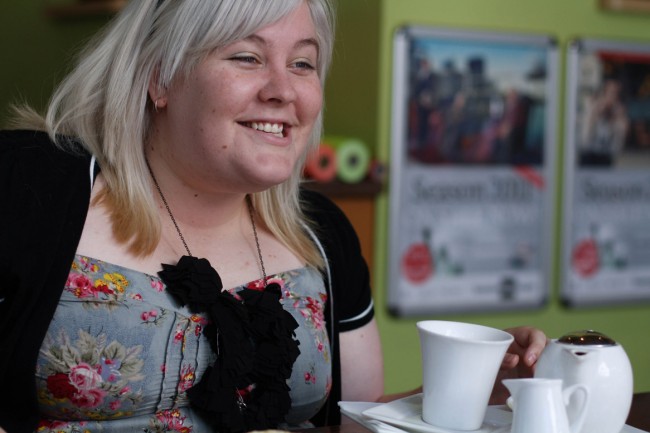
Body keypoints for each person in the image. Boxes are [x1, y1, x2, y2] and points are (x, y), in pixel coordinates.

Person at [0, 1, 548, 432]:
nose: (284, 90)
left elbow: (358, 417)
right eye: (247, 57)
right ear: (159, 78)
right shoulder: (27, 186)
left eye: (303, 63)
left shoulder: (321, 233)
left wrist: (480, 388)